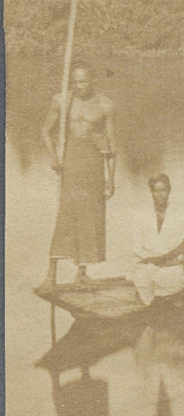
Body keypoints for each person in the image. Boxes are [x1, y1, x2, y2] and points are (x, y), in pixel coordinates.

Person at [39, 62, 115, 293]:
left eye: (85, 81)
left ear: (93, 80)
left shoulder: (105, 105)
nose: (80, 86)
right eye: (76, 81)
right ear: (71, 81)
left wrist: (111, 179)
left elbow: (112, 146)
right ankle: (50, 276)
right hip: (70, 164)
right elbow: (45, 132)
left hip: (93, 167)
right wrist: (54, 157)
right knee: (66, 216)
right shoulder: (62, 101)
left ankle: (82, 274)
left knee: (91, 218)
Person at [129, 174, 184, 307]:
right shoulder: (141, 213)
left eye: (163, 190)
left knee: (170, 286)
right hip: (147, 262)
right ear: (152, 192)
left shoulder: (180, 212)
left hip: (170, 263)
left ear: (169, 190)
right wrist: (152, 259)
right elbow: (136, 246)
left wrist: (165, 259)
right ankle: (148, 303)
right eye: (156, 191)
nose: (160, 195)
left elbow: (183, 242)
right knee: (144, 282)